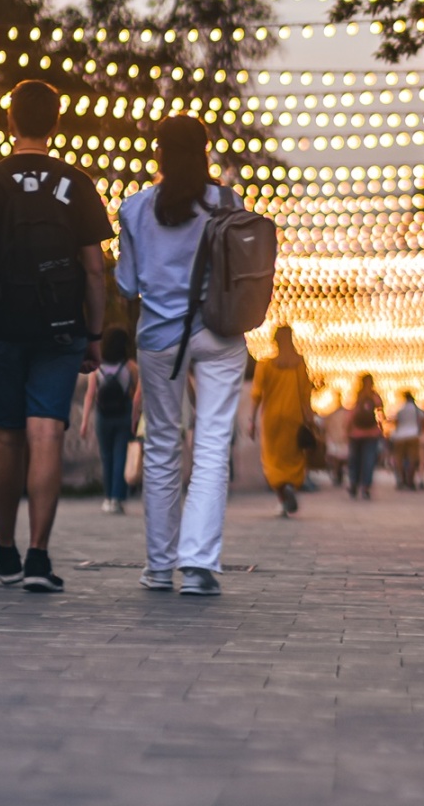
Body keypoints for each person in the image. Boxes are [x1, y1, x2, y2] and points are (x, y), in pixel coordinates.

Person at [0, 79, 113, 594]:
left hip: (3, 324)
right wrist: (93, 333)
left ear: (9, 120)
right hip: (61, 326)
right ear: (56, 122)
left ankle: (6, 548)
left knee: (6, 434)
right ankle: (41, 557)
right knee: (47, 433)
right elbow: (94, 271)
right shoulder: (78, 184)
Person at [116, 114, 249, 596]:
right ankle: (197, 567)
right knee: (213, 445)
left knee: (162, 447)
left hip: (158, 339)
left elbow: (127, 285)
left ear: (159, 155)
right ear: (206, 151)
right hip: (220, 333)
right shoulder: (227, 202)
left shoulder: (133, 209)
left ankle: (158, 566)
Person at [249, 326, 314, 517]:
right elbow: (305, 395)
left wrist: (252, 419)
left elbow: (256, 394)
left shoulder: (265, 364)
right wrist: (309, 419)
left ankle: (282, 495)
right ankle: (290, 487)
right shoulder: (299, 363)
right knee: (292, 458)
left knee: (272, 459)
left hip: (271, 419)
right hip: (294, 419)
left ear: (275, 340)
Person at [80, 324, 139, 515]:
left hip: (103, 416)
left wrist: (84, 422)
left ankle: (107, 498)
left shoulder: (98, 368)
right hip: (124, 415)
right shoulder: (130, 367)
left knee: (106, 457)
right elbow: (138, 393)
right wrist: (136, 416)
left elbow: (90, 395)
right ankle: (117, 499)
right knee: (120, 456)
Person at [347, 373, 383, 499]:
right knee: (368, 461)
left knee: (355, 460)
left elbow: (351, 413)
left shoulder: (356, 396)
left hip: (356, 433)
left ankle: (354, 483)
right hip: (371, 433)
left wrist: (348, 429)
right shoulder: (374, 396)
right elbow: (380, 413)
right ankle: (365, 486)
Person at [391, 390, 421, 490]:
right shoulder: (416, 409)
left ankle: (402, 479)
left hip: (400, 436)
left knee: (399, 459)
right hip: (413, 434)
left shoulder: (401, 409)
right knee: (412, 459)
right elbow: (421, 420)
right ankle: (410, 480)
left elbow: (397, 422)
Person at [322, 390, 351, 487]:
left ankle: (338, 474)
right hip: (337, 438)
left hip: (341, 438)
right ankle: (337, 474)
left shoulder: (340, 414)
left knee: (340, 458)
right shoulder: (333, 414)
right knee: (337, 458)